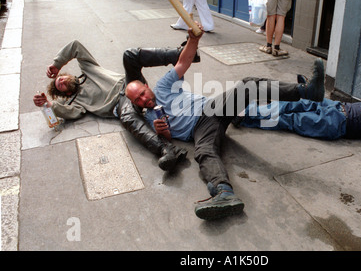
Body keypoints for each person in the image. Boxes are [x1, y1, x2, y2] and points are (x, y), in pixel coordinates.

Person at [125, 26, 326, 220]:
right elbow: (169, 140)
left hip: (211, 108)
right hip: (200, 130)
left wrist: (193, 40)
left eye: (142, 94)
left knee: (248, 85)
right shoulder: (149, 117)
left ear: (146, 86)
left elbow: (183, 62)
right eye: (138, 101)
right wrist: (164, 132)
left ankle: (306, 91)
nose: (144, 100)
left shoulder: (162, 87)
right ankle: (224, 193)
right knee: (204, 152)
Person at [32, 39, 199, 171]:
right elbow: (67, 112)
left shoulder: (88, 69)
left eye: (61, 77)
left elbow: (75, 46)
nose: (60, 80)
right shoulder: (76, 102)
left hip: (129, 85)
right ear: (65, 93)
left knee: (129, 55)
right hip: (121, 103)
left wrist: (57, 64)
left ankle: (181, 53)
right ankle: (167, 149)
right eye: (59, 85)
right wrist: (49, 104)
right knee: (127, 117)